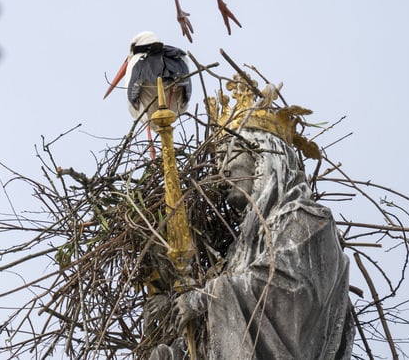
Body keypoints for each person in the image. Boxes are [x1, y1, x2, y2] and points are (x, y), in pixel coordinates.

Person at [150, 128, 354, 360]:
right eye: (218, 161)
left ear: (264, 158)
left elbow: (286, 292)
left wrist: (204, 297)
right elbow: (221, 338)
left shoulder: (309, 220)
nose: (222, 171)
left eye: (230, 154)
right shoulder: (240, 249)